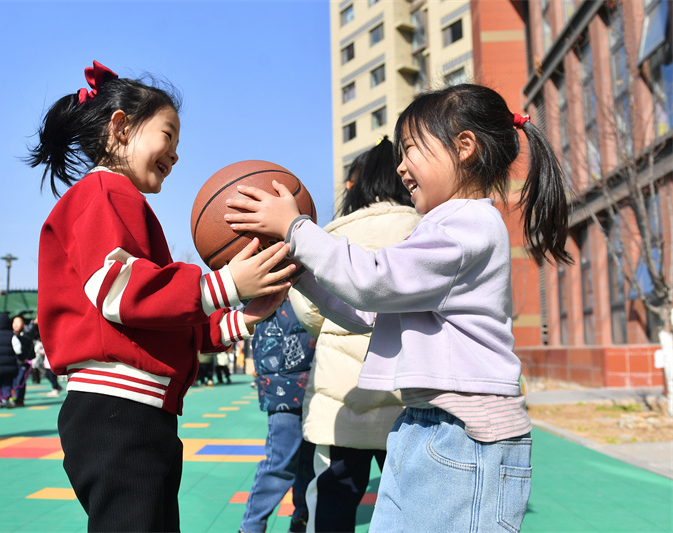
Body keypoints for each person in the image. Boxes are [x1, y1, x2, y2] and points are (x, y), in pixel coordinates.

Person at [225, 84, 571, 532]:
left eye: (411, 149)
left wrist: (296, 229)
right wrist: (301, 272)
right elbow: (368, 313)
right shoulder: (441, 225)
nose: (402, 166)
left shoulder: (467, 225)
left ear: (464, 146)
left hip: (468, 432)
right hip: (426, 423)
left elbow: (372, 281)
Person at [29, 60, 292, 532]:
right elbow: (119, 291)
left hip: (136, 411)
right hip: (117, 411)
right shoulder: (104, 193)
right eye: (167, 135)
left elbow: (158, 321)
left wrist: (241, 318)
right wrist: (226, 284)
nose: (175, 154)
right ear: (120, 128)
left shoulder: (118, 199)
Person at [288, 137, 422, 532]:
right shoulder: (423, 226)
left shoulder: (331, 234)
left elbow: (308, 311)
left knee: (333, 501)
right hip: (410, 394)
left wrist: (338, 322)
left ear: (357, 185)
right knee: (414, 505)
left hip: (342, 395)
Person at [240, 296, 316, 533]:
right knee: (280, 462)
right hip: (284, 381)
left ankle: (301, 519)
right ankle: (251, 526)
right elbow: (244, 288)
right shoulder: (274, 282)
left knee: (311, 462)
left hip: (317, 377)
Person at [11, 316, 35, 407]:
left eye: (18, 322)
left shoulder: (26, 333)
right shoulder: (11, 334)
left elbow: (31, 329)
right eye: (14, 322)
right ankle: (15, 397)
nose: (16, 325)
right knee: (14, 380)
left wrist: (25, 358)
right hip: (13, 362)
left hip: (23, 361)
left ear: (23, 324)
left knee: (20, 380)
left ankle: (19, 399)